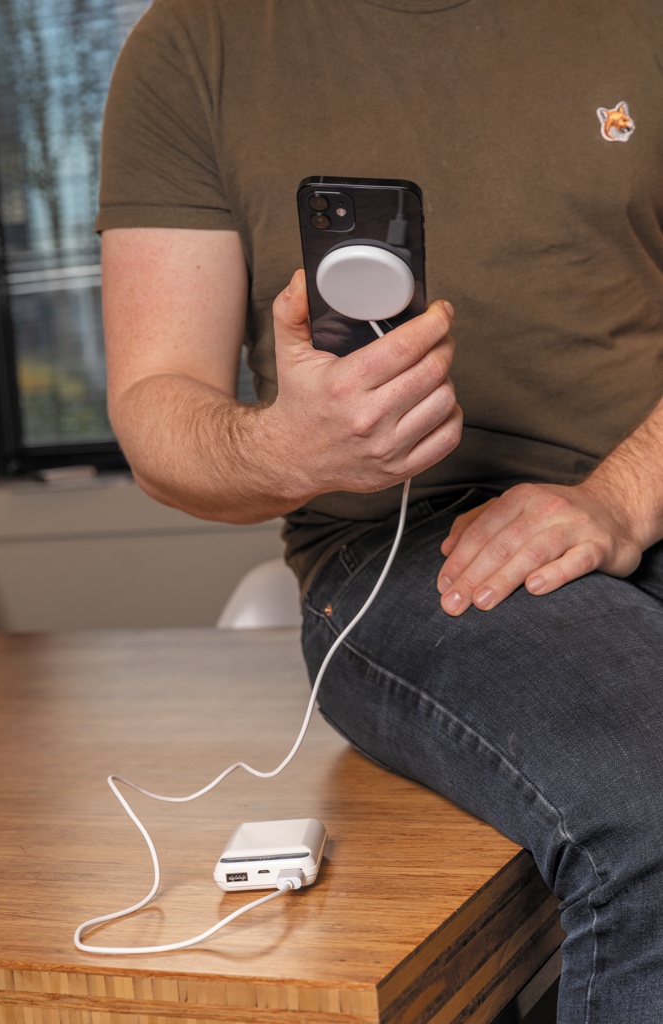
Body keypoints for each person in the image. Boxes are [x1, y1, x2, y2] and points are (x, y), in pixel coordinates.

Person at [96, 2, 663, 1020]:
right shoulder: (193, 44)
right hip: (400, 551)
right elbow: (155, 405)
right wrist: (284, 449)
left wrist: (620, 498)